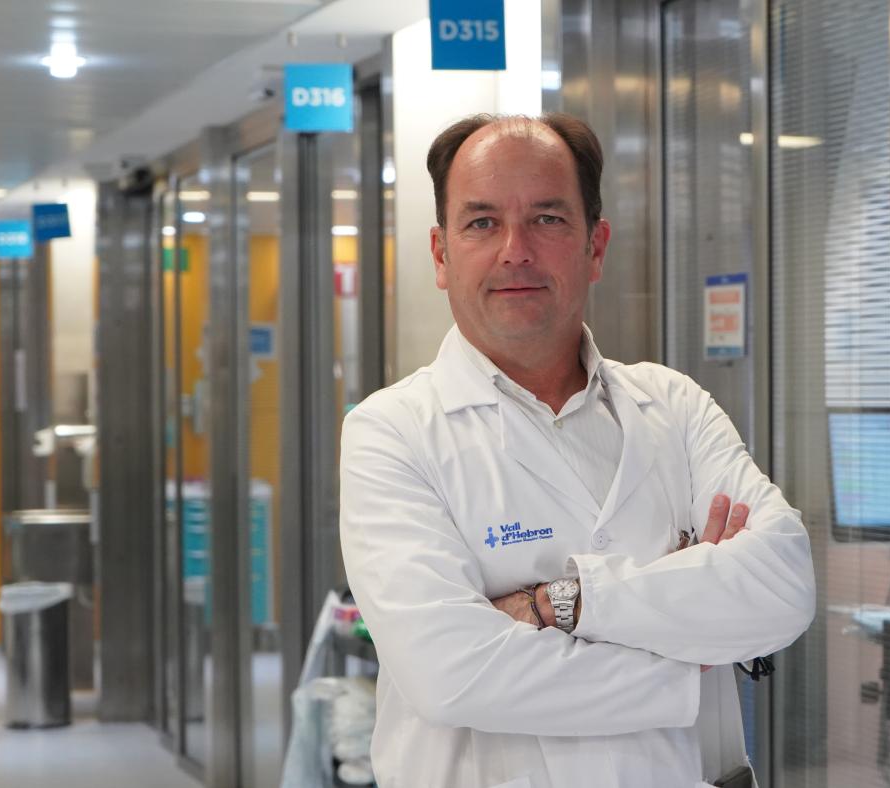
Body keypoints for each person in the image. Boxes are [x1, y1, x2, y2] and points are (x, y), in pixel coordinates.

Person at [339, 112, 816, 788]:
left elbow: (784, 587)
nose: (515, 251)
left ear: (595, 246)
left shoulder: (674, 405)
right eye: (482, 222)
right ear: (441, 255)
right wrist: (686, 648)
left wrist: (557, 604)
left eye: (548, 219)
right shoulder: (391, 432)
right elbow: (452, 674)